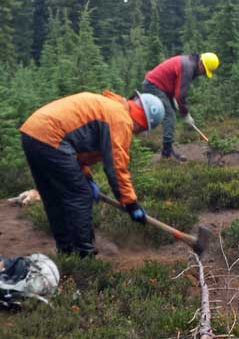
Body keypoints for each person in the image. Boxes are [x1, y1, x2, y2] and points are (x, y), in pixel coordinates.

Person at [20, 90, 165, 257]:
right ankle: (84, 254)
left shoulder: (110, 108)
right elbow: (116, 167)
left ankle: (66, 251)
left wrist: (87, 177)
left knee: (53, 197)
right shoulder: (121, 119)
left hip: (32, 132)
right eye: (141, 130)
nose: (136, 133)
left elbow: (77, 149)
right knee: (80, 195)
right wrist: (130, 203)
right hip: (51, 136)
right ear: (143, 122)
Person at [142, 52, 220, 161]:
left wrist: (175, 98)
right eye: (205, 71)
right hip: (153, 85)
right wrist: (185, 113)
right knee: (169, 116)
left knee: (171, 113)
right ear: (201, 64)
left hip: (163, 88)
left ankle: (169, 148)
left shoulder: (190, 63)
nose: (203, 74)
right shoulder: (188, 68)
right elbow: (181, 95)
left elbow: (176, 85)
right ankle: (166, 155)